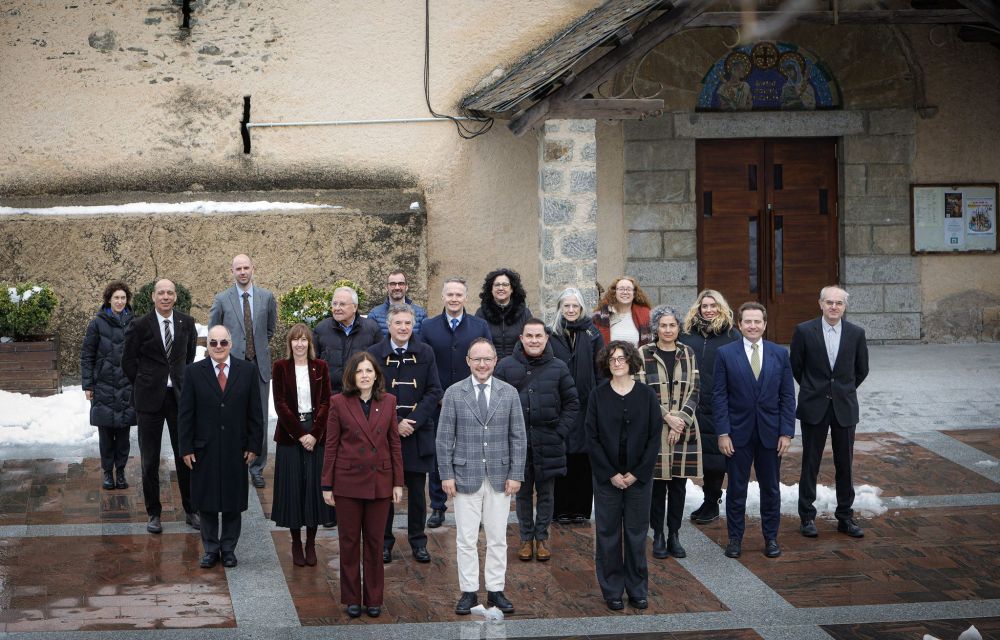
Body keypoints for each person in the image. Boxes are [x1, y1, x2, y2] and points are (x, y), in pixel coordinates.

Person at [436, 338, 526, 616]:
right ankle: (469, 591)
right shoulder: (454, 393)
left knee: (498, 537)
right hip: (465, 475)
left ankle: (496, 590)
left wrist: (516, 474)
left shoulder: (509, 393)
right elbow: (443, 438)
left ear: (495, 361)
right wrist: (446, 475)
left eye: (487, 359)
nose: (482, 364)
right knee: (466, 538)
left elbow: (518, 437)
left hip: (500, 475)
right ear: (468, 361)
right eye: (477, 359)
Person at [321, 352, 403, 619]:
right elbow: (331, 445)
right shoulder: (338, 403)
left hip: (380, 482)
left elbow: (394, 444)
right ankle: (352, 598)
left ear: (376, 375)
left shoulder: (389, 401)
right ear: (351, 376)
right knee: (348, 542)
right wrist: (327, 484)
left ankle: (374, 598)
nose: (365, 375)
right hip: (347, 483)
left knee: (375, 542)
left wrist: (397, 482)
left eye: (369, 370)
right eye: (359, 371)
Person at [713, 302, 795, 560]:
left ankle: (771, 538)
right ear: (739, 324)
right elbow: (719, 396)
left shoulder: (779, 354)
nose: (752, 326)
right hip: (737, 434)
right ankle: (735, 539)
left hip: (771, 434)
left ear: (765, 324)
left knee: (771, 489)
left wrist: (786, 432)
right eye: (747, 321)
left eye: (757, 321)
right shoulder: (725, 354)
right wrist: (723, 433)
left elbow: (787, 396)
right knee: (736, 489)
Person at [178, 325, 264, 569]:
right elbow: (185, 414)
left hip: (236, 448)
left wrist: (254, 445)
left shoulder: (247, 371)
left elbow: (255, 412)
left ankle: (228, 549)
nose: (218, 347)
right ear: (207, 345)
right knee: (206, 500)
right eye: (213, 342)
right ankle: (210, 549)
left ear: (231, 344)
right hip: (203, 448)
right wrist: (186, 448)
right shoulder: (194, 372)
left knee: (232, 501)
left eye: (223, 342)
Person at [586, 341, 662, 611]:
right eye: (612, 359)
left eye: (621, 358)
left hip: (638, 479)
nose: (617, 363)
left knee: (636, 534)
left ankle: (637, 589)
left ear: (631, 361)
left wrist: (637, 473)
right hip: (607, 478)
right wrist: (611, 474)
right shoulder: (597, 395)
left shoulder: (646, 395)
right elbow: (591, 438)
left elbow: (654, 437)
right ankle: (612, 590)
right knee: (607, 534)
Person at [495, 317, 579, 562]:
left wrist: (560, 431)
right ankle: (525, 538)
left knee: (546, 493)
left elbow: (572, 403)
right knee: (521, 493)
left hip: (548, 440)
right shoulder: (505, 366)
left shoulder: (558, 367)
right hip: (517, 442)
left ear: (546, 338)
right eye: (529, 336)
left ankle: (541, 538)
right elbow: (496, 403)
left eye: (538, 336)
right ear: (521, 338)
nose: (534, 340)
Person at [791, 286, 869, 539]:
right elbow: (797, 366)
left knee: (845, 464)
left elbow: (861, 369)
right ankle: (807, 517)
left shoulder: (856, 333)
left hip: (844, 407)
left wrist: (842, 390)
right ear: (820, 304)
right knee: (810, 463)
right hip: (814, 405)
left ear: (845, 306)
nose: (834, 307)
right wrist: (815, 389)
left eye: (839, 303)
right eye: (829, 302)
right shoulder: (804, 331)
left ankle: (845, 517)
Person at [122, 278, 199, 534]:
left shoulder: (187, 323)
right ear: (153, 296)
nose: (165, 297)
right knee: (150, 460)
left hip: (179, 399)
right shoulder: (139, 325)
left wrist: (179, 381)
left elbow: (188, 357)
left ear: (175, 296)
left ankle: (191, 510)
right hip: (149, 400)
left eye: (170, 293)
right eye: (161, 293)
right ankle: (153, 513)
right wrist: (144, 383)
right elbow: (128, 361)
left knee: (185, 455)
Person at [368, 303, 443, 564]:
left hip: (417, 433)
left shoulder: (425, 352)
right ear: (388, 325)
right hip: (385, 433)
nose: (403, 328)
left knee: (417, 493)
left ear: (414, 325)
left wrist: (413, 420)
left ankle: (418, 542)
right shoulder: (374, 353)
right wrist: (395, 422)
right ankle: (384, 543)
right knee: (385, 492)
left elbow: (434, 390)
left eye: (408, 323)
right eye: (398, 323)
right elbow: (371, 391)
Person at [420, 277, 492, 529]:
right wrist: (437, 394)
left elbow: (486, 362)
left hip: (472, 401)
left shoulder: (479, 326)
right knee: (439, 453)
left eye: (458, 295)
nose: (454, 299)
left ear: (465, 297)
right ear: (443, 297)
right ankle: (438, 506)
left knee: (473, 453)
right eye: (449, 294)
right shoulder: (428, 327)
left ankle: (476, 508)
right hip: (438, 402)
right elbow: (424, 364)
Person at [636, 305, 700, 560]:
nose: (668, 329)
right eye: (663, 325)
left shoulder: (688, 352)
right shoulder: (644, 353)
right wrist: (668, 418)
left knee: (678, 486)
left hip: (684, 428)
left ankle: (674, 534)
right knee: (657, 486)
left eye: (672, 325)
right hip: (655, 428)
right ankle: (659, 535)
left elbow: (695, 389)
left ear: (678, 327)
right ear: (656, 328)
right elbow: (642, 390)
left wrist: (680, 421)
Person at [209, 254, 278, 490]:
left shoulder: (267, 297)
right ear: (232, 271)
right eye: (238, 268)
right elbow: (214, 333)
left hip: (259, 366)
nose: (242, 272)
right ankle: (233, 463)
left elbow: (270, 329)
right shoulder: (222, 299)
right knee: (232, 416)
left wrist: (257, 348)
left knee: (260, 417)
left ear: (252, 269)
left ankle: (257, 468)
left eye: (246, 267)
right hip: (232, 366)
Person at [270, 323, 335, 567]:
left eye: (304, 339)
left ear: (309, 343)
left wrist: (315, 434)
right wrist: (300, 435)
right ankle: (296, 542)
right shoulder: (280, 367)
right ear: (290, 343)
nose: (300, 344)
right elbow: (280, 403)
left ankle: (311, 543)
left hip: (316, 432)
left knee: (314, 489)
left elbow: (326, 402)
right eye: (295, 339)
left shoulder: (320, 367)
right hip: (290, 435)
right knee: (294, 488)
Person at [679, 289, 741, 525]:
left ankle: (711, 501)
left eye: (713, 305)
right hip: (691, 403)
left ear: (721, 307)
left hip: (719, 404)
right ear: (698, 308)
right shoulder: (686, 334)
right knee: (694, 456)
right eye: (704, 306)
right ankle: (695, 502)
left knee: (715, 459)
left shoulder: (732, 335)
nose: (709, 310)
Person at [550, 287, 605, 524]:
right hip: (559, 404)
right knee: (561, 456)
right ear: (560, 308)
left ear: (582, 308)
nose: (571, 310)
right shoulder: (551, 333)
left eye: (575, 306)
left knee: (583, 457)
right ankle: (561, 509)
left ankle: (581, 508)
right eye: (567, 306)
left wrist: (601, 398)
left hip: (586, 404)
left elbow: (600, 369)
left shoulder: (592, 333)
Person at [81, 280, 136, 491]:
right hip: (103, 385)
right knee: (105, 434)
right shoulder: (97, 324)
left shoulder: (134, 323)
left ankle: (120, 472)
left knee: (123, 434)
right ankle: (107, 472)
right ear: (109, 300)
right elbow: (87, 356)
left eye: (123, 298)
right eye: (116, 298)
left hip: (126, 386)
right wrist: (88, 385)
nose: (120, 301)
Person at [314, 286, 382, 394]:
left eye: (342, 304)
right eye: (334, 304)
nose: (337, 308)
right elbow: (313, 364)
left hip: (361, 394)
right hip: (330, 395)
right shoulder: (321, 329)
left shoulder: (372, 329)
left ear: (355, 307)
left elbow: (379, 365)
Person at [475, 268, 532, 360]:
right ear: (491, 289)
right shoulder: (481, 313)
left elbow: (531, 341)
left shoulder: (525, 313)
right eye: (497, 285)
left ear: (512, 289)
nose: (501, 288)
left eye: (505, 284)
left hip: (518, 364)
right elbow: (476, 343)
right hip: (489, 365)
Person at [592, 276, 653, 347]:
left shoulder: (645, 314)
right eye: (621, 289)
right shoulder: (601, 316)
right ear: (614, 292)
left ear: (634, 293)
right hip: (607, 354)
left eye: (629, 289)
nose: (625, 292)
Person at [367, 270, 428, 337]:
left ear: (406, 287)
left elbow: (423, 341)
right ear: (386, 287)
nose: (397, 287)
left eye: (401, 284)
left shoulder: (421, 314)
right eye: (393, 284)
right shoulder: (374, 315)